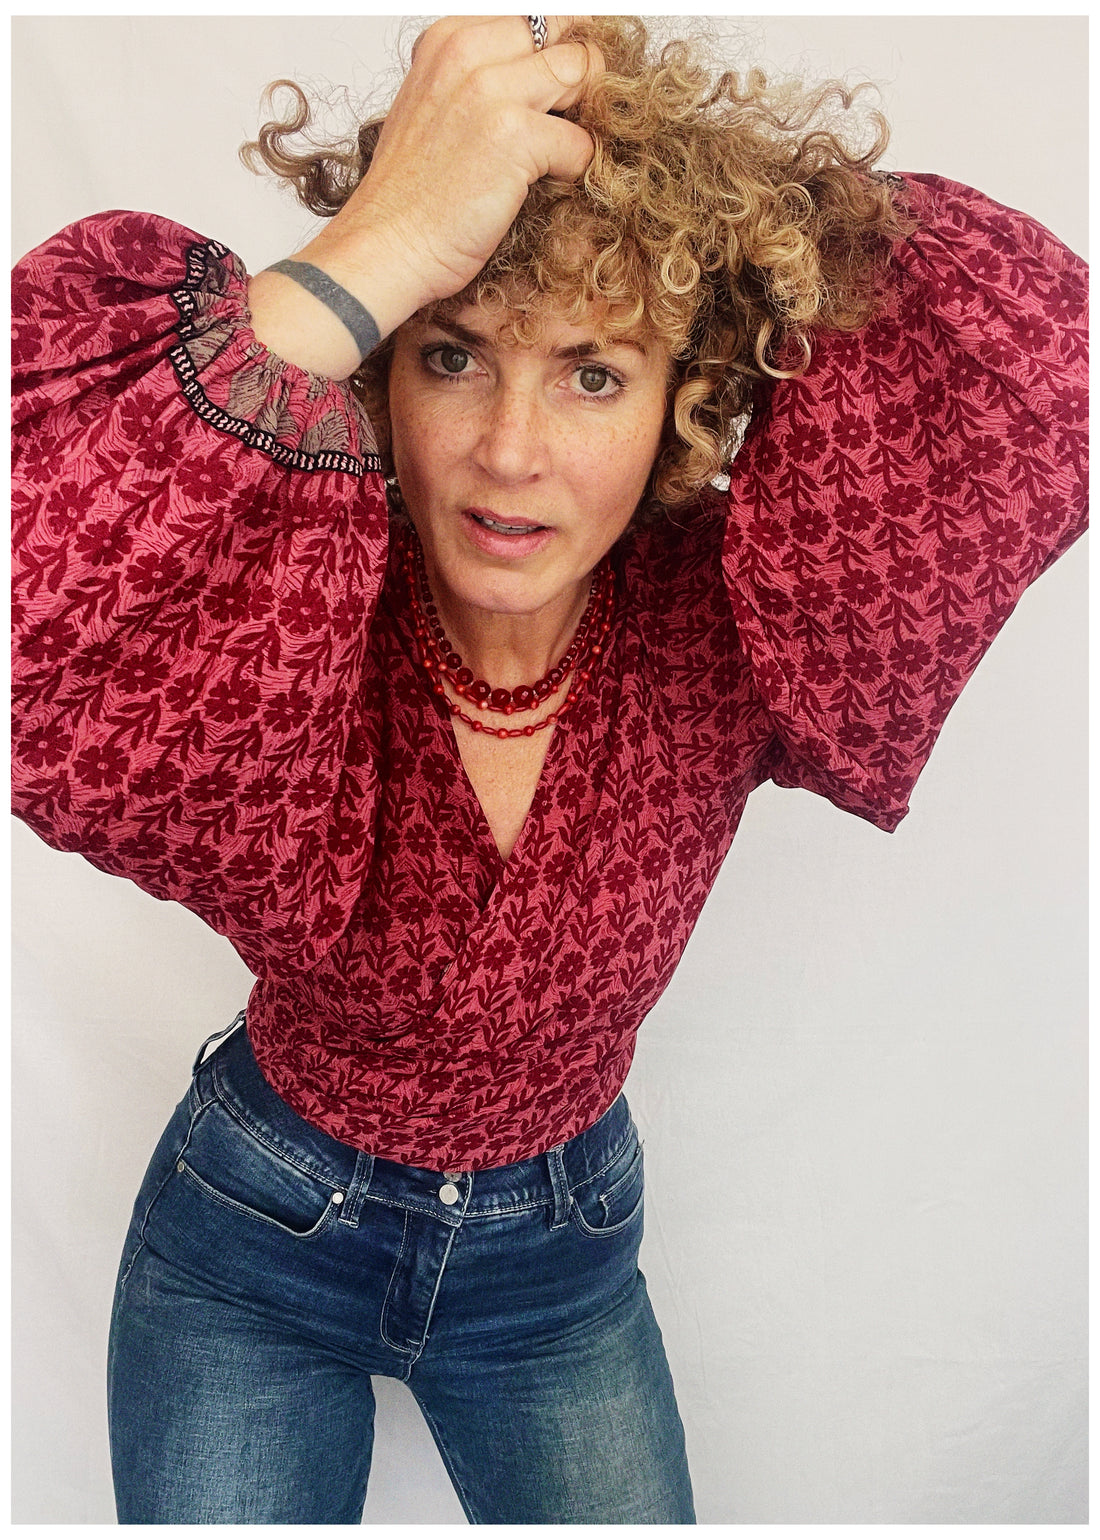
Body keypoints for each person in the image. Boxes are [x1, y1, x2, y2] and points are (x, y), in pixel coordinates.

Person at [11, 13, 1087, 1526]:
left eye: (594, 374)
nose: (512, 450)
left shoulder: (735, 616)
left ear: (684, 399)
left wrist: (720, 184)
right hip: (251, 1240)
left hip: (557, 1276)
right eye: (454, 355)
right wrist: (383, 243)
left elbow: (1042, 351)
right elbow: (37, 582)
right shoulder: (287, 602)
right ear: (385, 373)